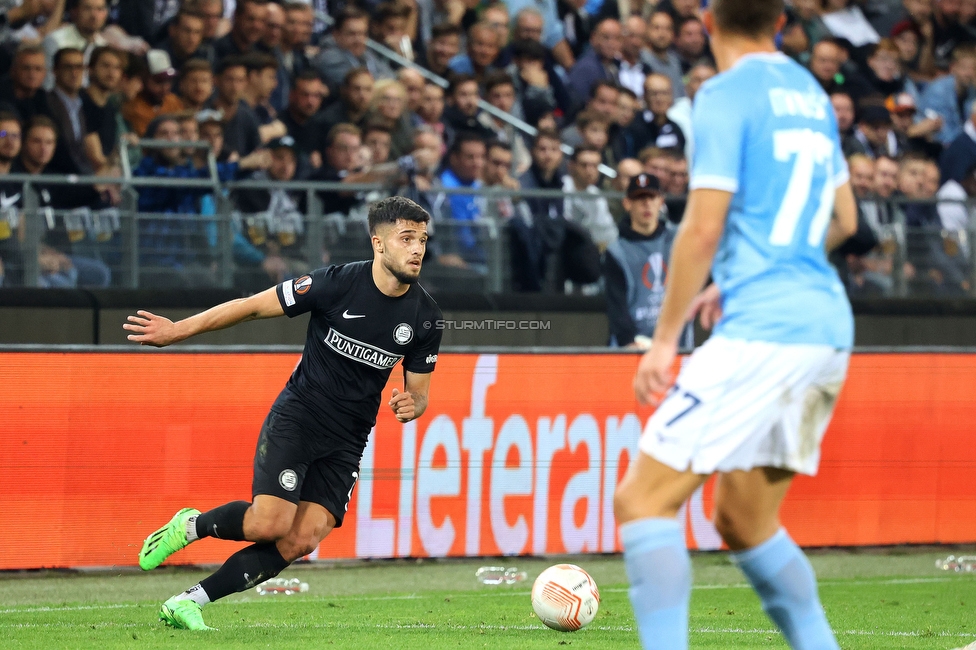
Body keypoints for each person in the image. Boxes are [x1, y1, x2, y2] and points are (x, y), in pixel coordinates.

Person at [613, 2, 858, 650]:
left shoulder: (722, 95)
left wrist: (664, 341)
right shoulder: (810, 90)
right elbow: (846, 221)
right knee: (744, 520)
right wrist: (745, 275)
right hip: (827, 327)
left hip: (767, 331)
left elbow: (701, 228)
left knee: (642, 502)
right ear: (779, 19)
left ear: (705, 16)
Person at [126, 196, 443, 632]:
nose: (417, 249)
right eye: (406, 238)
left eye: (422, 239)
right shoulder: (335, 284)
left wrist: (412, 406)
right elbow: (251, 306)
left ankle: (187, 602)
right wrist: (178, 329)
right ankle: (191, 525)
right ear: (378, 243)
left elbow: (419, 394)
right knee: (267, 523)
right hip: (300, 418)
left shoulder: (426, 317)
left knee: (300, 539)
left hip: (349, 439)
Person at [604, 172, 689, 349]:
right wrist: (628, 342)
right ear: (627, 204)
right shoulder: (616, 252)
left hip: (676, 344)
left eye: (652, 197)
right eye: (639, 198)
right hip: (632, 345)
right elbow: (616, 306)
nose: (646, 203)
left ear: (661, 202)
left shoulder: (679, 241)